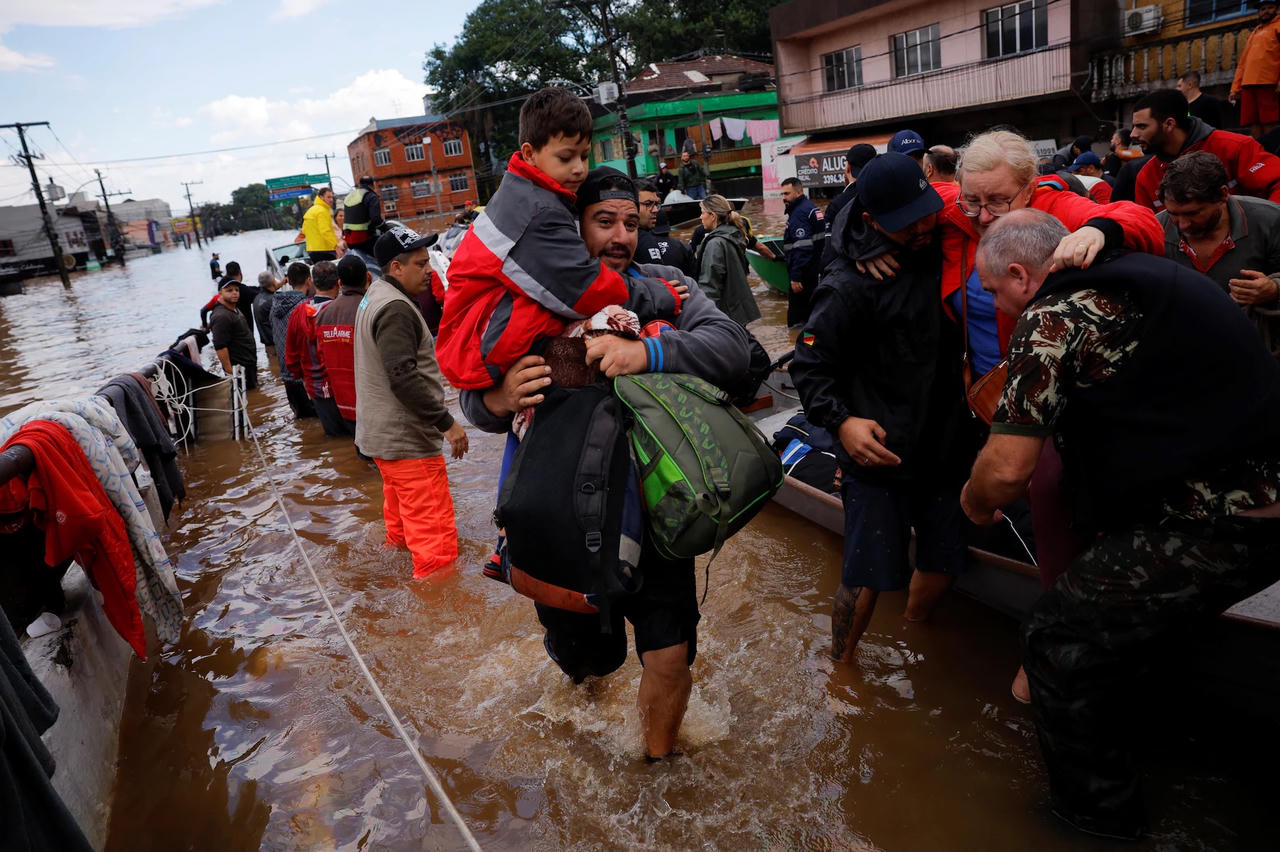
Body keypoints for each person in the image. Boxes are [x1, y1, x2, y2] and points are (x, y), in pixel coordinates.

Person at [962, 208, 1280, 840]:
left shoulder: (1053, 317)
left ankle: (1096, 820)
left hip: (1226, 516)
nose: (995, 302)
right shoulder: (1149, 274)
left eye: (994, 291)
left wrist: (971, 505)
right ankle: (1161, 742)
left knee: (1054, 638)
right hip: (1253, 484)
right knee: (1120, 619)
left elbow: (1005, 472)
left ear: (1022, 274)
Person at [458, 166, 750, 760]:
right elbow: (472, 399)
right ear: (574, 229)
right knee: (588, 662)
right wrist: (499, 396)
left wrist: (647, 350)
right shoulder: (531, 296)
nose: (621, 236)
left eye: (630, 223)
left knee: (669, 652)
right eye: (604, 222)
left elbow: (734, 350)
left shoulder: (666, 283)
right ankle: (583, 702)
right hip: (561, 516)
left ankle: (656, 766)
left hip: (657, 508)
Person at [792, 152, 973, 664]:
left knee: (944, 558)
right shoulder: (848, 284)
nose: (921, 229)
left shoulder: (945, 239)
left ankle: (916, 633)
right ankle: (841, 669)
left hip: (945, 445)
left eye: (924, 215)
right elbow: (809, 367)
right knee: (864, 573)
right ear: (872, 221)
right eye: (904, 224)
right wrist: (841, 422)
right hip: (878, 452)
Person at [438, 86, 673, 391]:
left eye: (584, 156)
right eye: (566, 157)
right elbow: (586, 289)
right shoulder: (537, 211)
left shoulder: (528, 194)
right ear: (529, 154)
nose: (578, 168)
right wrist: (659, 295)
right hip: (475, 349)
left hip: (472, 339)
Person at [355, 225, 470, 579]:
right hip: (407, 442)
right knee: (436, 547)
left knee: (402, 525)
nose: (430, 271)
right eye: (421, 264)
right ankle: (437, 614)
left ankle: (394, 578)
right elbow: (403, 376)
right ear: (396, 267)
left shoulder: (373, 294)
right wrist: (446, 423)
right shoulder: (397, 309)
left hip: (380, 437)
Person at [1156, 151, 1280, 327]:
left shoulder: (1271, 220)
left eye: (1193, 213)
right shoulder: (1156, 228)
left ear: (1222, 195)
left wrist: (1274, 289)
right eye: (1173, 214)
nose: (1182, 225)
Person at [1130, 88, 1280, 210]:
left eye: (1141, 126)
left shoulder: (1234, 147)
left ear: (1169, 124)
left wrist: (1267, 230)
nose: (1133, 134)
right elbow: (1149, 231)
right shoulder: (1146, 177)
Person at [284, 260, 347, 437]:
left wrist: (299, 376)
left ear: (313, 281)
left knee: (334, 438)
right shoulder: (341, 310)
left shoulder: (298, 313)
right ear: (338, 283)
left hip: (316, 386)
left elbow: (291, 353)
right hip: (344, 386)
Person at [315, 253, 368, 434]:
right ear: (367, 278)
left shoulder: (323, 315)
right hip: (373, 404)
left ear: (339, 283)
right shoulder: (370, 308)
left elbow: (321, 357)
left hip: (343, 404)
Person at [695, 194, 759, 327]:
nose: (700, 217)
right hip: (738, 311)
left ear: (712, 216)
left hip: (725, 314)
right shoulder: (733, 234)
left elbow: (709, 285)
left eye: (702, 213)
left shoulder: (715, 243)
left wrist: (704, 318)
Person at [270, 262, 316, 420]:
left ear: (288, 281)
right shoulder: (306, 307)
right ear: (309, 280)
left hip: (286, 374)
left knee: (302, 423)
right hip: (304, 376)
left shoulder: (275, 305)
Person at [1230, 1, 1280, 138]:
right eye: (1263, 9)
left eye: (1270, 8)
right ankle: (1259, 152)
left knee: (1270, 122)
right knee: (1252, 122)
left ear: (1277, 9)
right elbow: (1243, 63)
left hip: (1268, 82)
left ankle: (1272, 153)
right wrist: (1235, 88)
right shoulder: (1255, 32)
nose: (1266, 11)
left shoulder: (1278, 26)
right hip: (1248, 84)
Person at [780, 177, 825, 327]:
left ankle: (803, 347)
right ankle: (812, 346)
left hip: (803, 277)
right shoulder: (810, 208)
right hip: (814, 272)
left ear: (799, 192)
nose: (783, 198)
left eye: (787, 194)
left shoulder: (799, 214)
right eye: (782, 194)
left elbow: (802, 247)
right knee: (812, 317)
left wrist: (796, 276)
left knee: (797, 323)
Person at [635, 179, 698, 277]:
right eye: (648, 204)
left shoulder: (646, 238)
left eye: (656, 204)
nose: (655, 210)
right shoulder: (624, 241)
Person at [208, 278, 258, 390]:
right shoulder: (221, 316)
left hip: (248, 364)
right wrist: (230, 371)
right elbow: (220, 346)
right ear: (220, 293)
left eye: (236, 290)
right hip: (238, 368)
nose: (235, 293)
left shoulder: (234, 309)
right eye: (229, 290)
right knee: (243, 399)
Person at [342, 176, 383, 251]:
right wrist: (387, 229)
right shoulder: (371, 196)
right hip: (364, 238)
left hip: (348, 238)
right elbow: (376, 219)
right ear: (372, 185)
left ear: (360, 185)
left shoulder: (349, 196)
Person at [302, 187, 339, 262]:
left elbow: (304, 230)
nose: (331, 199)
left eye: (332, 197)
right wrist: (336, 246)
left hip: (312, 250)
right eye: (328, 197)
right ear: (321, 197)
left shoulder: (311, 210)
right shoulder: (322, 211)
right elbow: (325, 231)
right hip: (325, 250)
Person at [254, 270, 282, 352]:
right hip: (276, 343)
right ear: (273, 282)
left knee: (273, 363)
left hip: (267, 343)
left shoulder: (257, 298)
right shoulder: (273, 299)